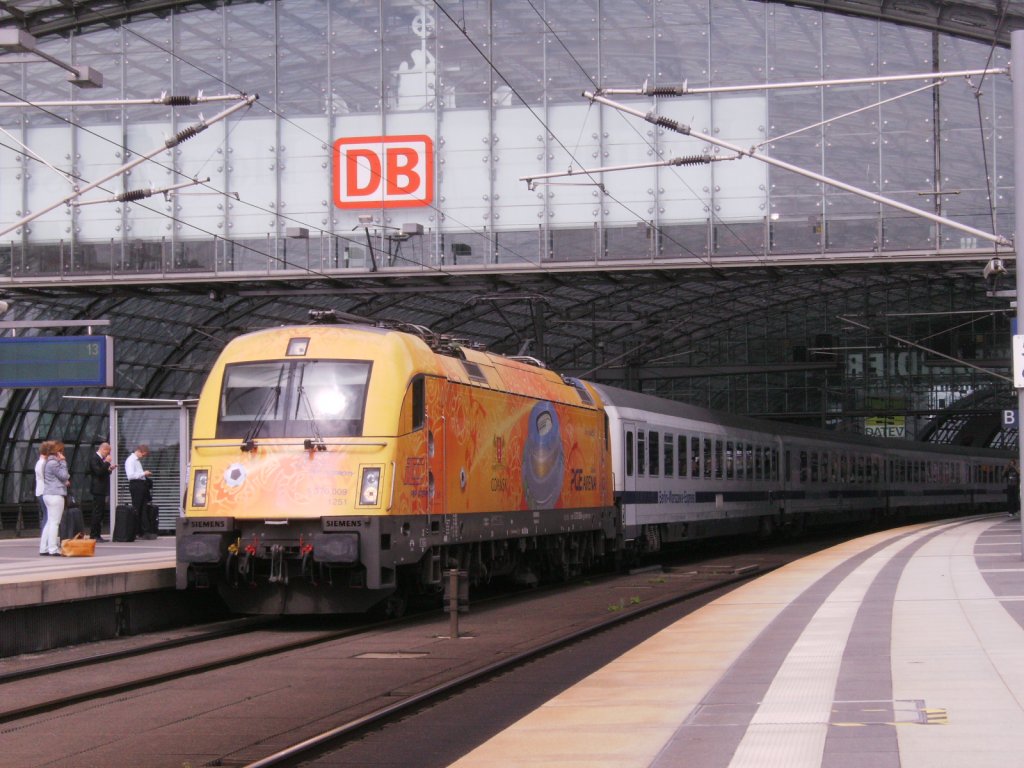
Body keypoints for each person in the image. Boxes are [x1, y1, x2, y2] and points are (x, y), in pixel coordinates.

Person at [39, 440, 69, 556]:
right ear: (58, 452)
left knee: (49, 522)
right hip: (55, 494)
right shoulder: (54, 463)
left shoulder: (46, 462)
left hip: (47, 494)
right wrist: (63, 462)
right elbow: (64, 476)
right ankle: (53, 548)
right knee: (55, 522)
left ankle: (43, 547)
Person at [86, 442, 116, 541]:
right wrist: (107, 462)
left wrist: (109, 469)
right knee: (97, 512)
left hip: (101, 489)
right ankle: (94, 534)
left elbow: (102, 472)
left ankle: (97, 534)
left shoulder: (100, 459)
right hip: (97, 489)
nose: (108, 455)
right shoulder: (95, 458)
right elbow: (98, 472)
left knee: (100, 512)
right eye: (108, 452)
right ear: (104, 449)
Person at [125, 444, 155, 540]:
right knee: (137, 508)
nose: (143, 456)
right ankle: (136, 531)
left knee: (143, 508)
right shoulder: (131, 460)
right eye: (143, 454)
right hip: (136, 485)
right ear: (138, 451)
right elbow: (130, 476)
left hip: (141, 485)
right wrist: (143, 473)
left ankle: (144, 531)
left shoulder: (137, 461)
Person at [34, 441, 51, 535]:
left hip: (40, 491)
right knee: (48, 515)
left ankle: (45, 536)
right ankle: (46, 536)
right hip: (45, 491)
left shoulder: (39, 463)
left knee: (46, 515)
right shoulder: (44, 463)